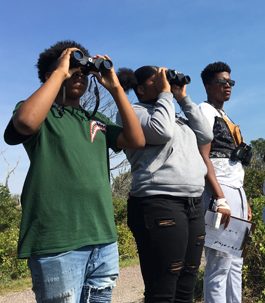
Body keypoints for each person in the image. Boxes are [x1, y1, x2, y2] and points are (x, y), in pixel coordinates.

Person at [3, 40, 145, 303]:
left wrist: (116, 89)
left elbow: (136, 140)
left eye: (83, 73)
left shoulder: (96, 120)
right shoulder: (39, 113)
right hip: (57, 240)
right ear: (52, 75)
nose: (79, 76)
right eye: (72, 71)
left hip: (103, 238)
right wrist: (60, 70)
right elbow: (24, 122)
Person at [115, 66, 213, 303]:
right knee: (163, 289)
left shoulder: (173, 113)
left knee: (187, 284)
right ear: (140, 89)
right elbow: (161, 132)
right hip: (158, 201)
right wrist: (167, 95)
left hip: (192, 203)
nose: (164, 84)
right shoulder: (133, 111)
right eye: (157, 80)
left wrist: (182, 97)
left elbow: (206, 135)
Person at [198, 61, 252, 303]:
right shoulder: (204, 110)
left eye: (230, 82)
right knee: (219, 262)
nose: (228, 86)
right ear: (209, 87)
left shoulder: (225, 115)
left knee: (236, 261)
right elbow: (203, 156)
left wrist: (245, 201)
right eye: (222, 82)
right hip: (218, 190)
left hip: (236, 191)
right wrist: (219, 198)